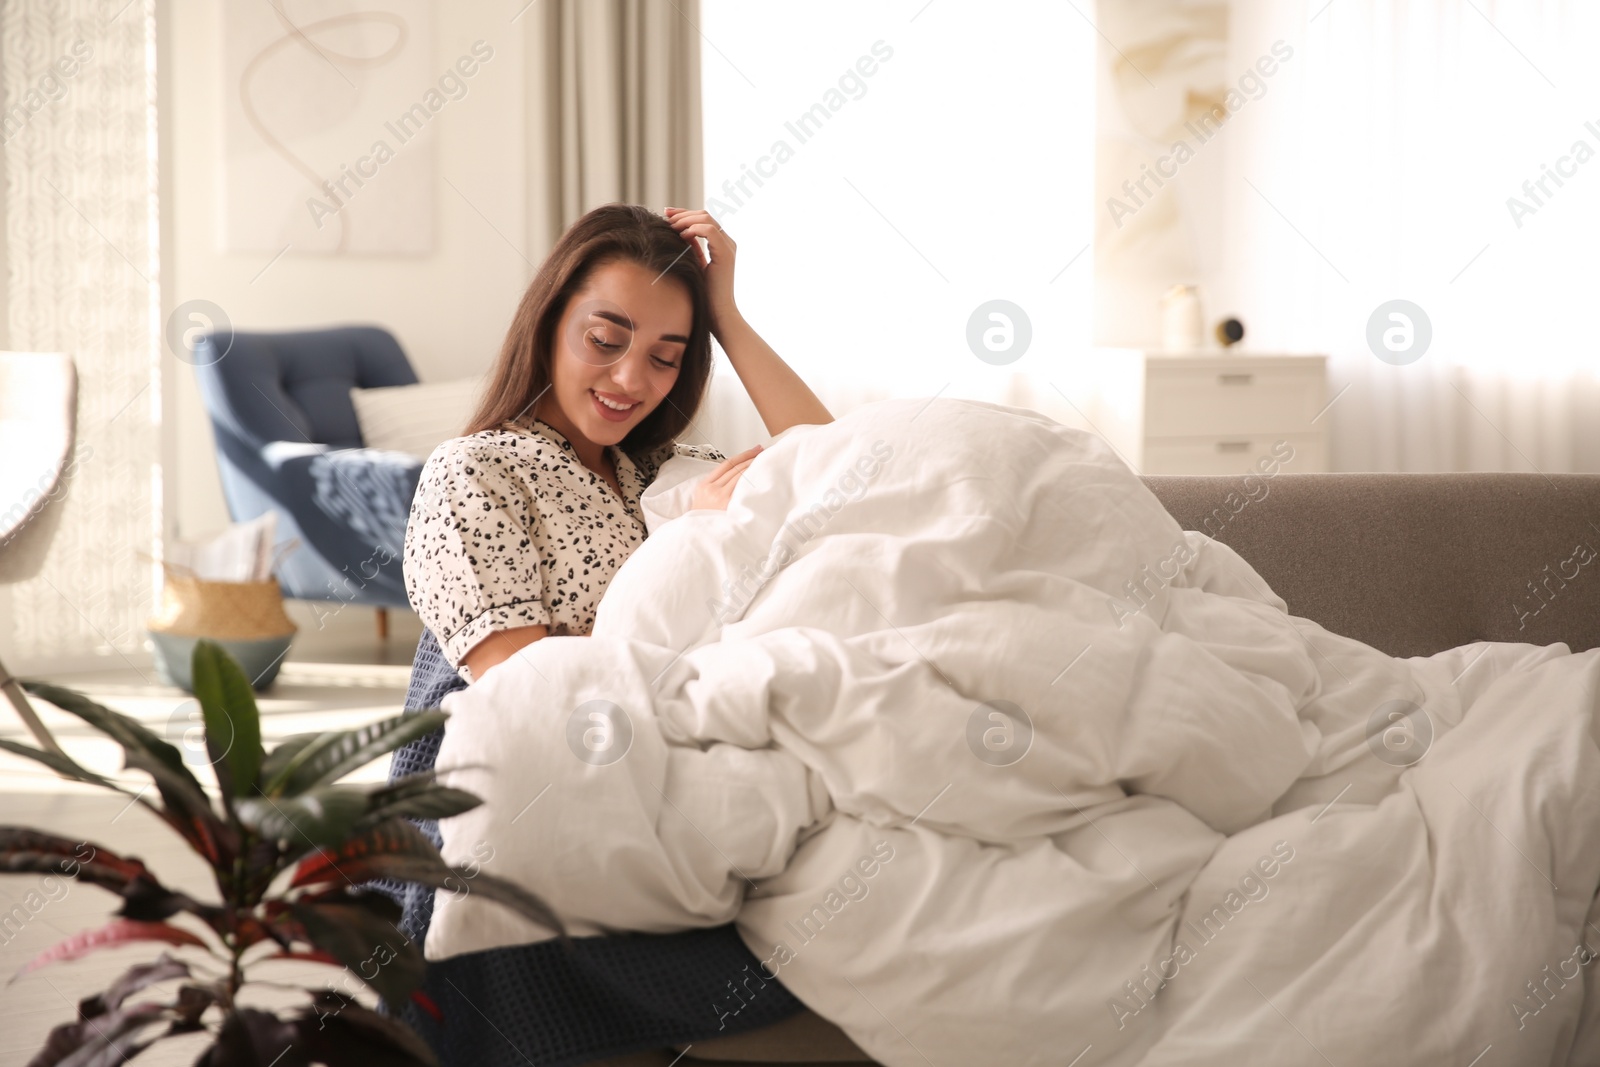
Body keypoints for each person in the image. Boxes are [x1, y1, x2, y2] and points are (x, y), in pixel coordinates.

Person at [402, 203, 831, 683]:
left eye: (665, 358)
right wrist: (694, 540)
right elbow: (517, 684)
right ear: (548, 323)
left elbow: (831, 461)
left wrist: (725, 316)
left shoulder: (675, 472)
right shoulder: (475, 473)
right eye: (604, 340)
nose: (630, 379)